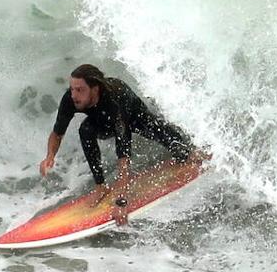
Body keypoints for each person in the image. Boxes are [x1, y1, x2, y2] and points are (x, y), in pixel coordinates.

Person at [38, 64, 204, 226]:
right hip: (102, 120)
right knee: (86, 129)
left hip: (133, 115)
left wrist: (121, 200)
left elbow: (123, 157)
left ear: (95, 89)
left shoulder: (115, 101)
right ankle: (100, 187)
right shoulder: (71, 99)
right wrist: (50, 156)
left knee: (162, 133)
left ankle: (192, 152)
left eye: (79, 89)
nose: (73, 95)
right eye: (72, 88)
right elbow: (57, 133)